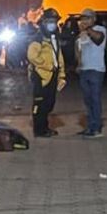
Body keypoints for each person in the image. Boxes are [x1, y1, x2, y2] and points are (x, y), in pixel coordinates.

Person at [26, 8, 67, 138]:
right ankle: (39, 130)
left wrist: (61, 75)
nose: (52, 24)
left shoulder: (54, 38)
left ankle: (45, 127)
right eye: (49, 21)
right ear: (43, 22)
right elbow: (32, 56)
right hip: (41, 76)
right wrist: (47, 65)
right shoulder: (38, 38)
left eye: (54, 21)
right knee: (40, 104)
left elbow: (59, 56)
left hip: (52, 75)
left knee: (49, 103)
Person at [75, 8, 107, 137]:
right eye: (83, 18)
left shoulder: (100, 29)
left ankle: (96, 128)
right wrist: (78, 64)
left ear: (94, 19)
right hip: (84, 70)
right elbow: (78, 48)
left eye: (87, 18)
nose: (84, 21)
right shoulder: (81, 34)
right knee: (88, 100)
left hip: (96, 69)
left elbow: (99, 39)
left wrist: (87, 29)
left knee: (95, 99)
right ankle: (90, 126)